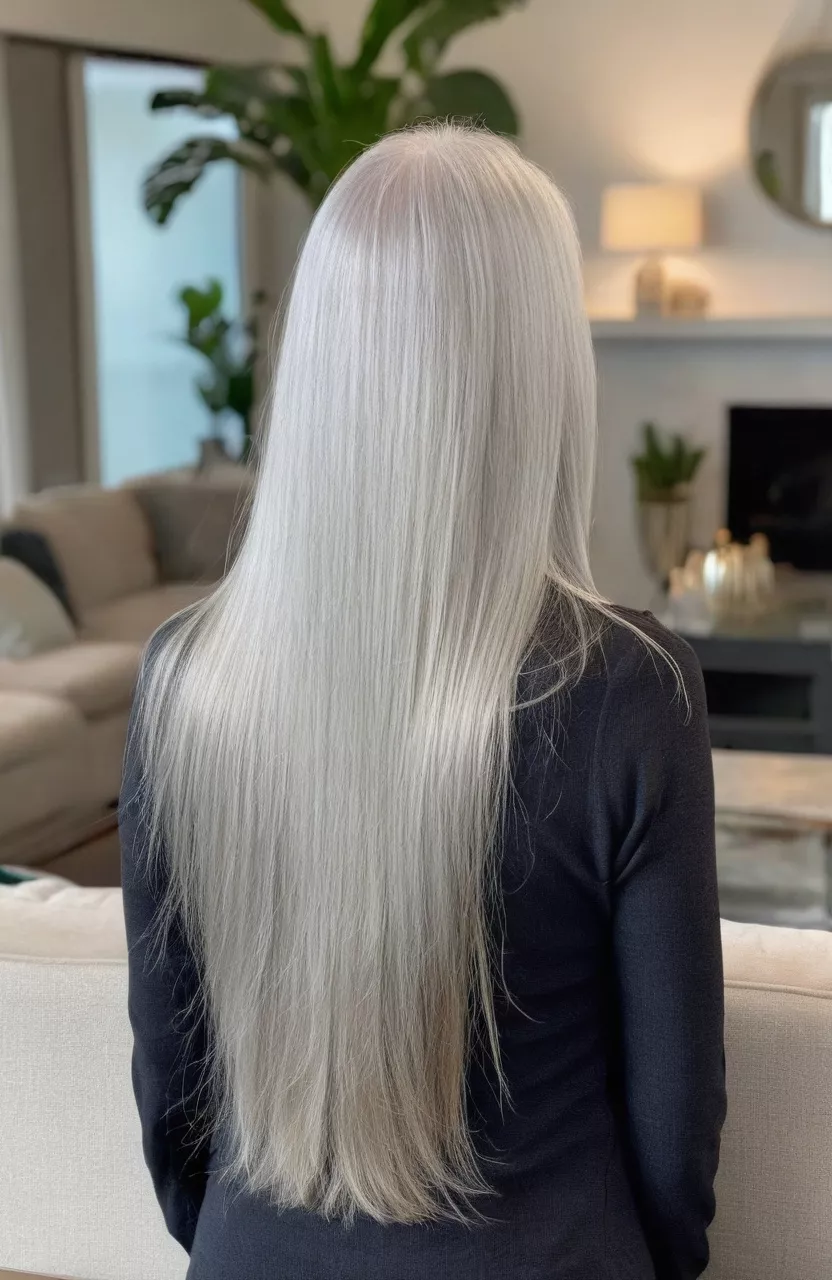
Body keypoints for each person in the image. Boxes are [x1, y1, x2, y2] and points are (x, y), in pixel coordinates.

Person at [121, 124, 725, 1280]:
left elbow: (171, 1096)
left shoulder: (183, 678)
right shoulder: (632, 688)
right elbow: (675, 1120)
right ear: (542, 366)